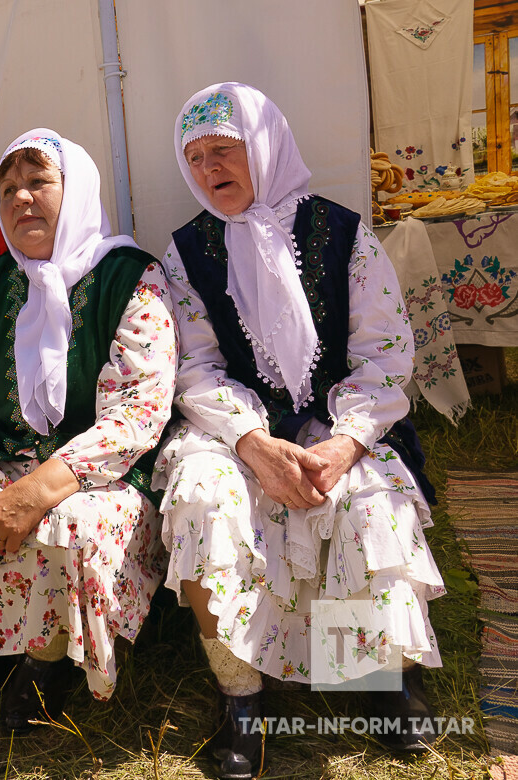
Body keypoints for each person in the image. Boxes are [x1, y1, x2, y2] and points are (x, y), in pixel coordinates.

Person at [154, 82, 445, 779]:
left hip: (338, 421)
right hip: (235, 430)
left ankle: (367, 678)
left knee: (364, 498)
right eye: (193, 157)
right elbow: (191, 366)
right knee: (203, 495)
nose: (208, 168)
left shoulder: (344, 235)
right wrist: (253, 443)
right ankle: (241, 699)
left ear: (263, 144)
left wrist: (343, 442)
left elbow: (384, 353)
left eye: (223, 149)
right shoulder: (186, 253)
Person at [0, 129, 174, 732]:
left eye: (38, 182)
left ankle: (46, 663)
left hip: (102, 476)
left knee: (64, 523)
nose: (22, 198)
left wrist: (40, 488)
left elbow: (138, 412)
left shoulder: (132, 277)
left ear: (73, 191)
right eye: (9, 188)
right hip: (11, 457)